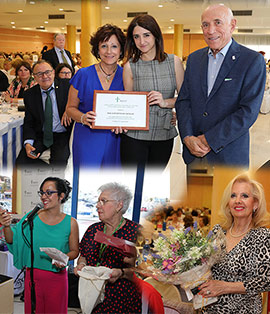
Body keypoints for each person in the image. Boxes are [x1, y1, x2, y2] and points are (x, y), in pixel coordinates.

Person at [175, 4, 266, 167]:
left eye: (218, 22)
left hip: (228, 157)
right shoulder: (195, 59)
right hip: (195, 155)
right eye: (205, 24)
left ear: (232, 25)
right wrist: (187, 137)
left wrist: (209, 139)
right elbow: (184, 101)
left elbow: (248, 111)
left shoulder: (251, 61)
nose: (210, 30)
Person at [0, 177, 79, 314]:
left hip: (57, 279)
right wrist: (6, 226)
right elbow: (12, 239)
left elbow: (75, 251)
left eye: (49, 192)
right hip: (32, 278)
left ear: (61, 195)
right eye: (42, 193)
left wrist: (63, 257)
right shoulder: (32, 217)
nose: (43, 197)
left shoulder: (71, 223)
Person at [199, 174, 270, 313]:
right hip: (209, 309)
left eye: (244, 196)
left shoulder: (263, 236)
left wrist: (225, 287)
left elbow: (267, 280)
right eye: (233, 196)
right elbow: (203, 266)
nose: (238, 201)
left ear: (255, 204)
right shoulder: (217, 232)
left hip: (243, 310)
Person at [122, 14, 184, 168]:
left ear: (155, 35)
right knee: (132, 183)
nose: (141, 41)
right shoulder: (130, 66)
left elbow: (184, 99)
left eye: (146, 35)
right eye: (136, 37)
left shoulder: (173, 62)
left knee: (153, 182)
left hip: (164, 133)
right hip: (135, 135)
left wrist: (166, 103)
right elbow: (127, 104)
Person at [74, 182, 141, 313]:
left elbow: (142, 271)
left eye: (103, 201)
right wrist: (81, 265)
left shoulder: (136, 232)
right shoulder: (93, 229)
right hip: (93, 296)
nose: (97, 205)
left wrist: (121, 273)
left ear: (119, 205)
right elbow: (83, 256)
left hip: (122, 300)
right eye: (98, 201)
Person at [66, 24, 126, 168]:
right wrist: (83, 117)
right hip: (87, 137)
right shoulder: (83, 74)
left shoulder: (127, 76)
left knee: (112, 185)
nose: (109, 51)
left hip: (116, 139)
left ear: (121, 50)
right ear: (97, 49)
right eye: (104, 46)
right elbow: (70, 108)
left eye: (114, 46)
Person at [16, 60, 72, 166]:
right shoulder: (30, 94)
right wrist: (28, 143)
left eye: (48, 72)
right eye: (39, 74)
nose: (44, 76)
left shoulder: (67, 87)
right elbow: (29, 122)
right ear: (34, 77)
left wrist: (70, 109)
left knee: (59, 162)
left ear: (54, 73)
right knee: (22, 161)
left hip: (63, 134)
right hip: (42, 135)